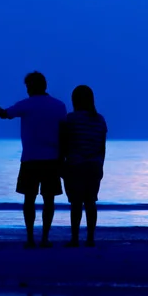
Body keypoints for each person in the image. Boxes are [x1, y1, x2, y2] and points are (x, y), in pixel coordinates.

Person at [0, 71, 66, 248]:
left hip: (30, 159)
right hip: (52, 159)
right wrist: (63, 159)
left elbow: (3, 114)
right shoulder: (59, 106)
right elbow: (63, 134)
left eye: (27, 86)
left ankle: (30, 238)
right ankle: (45, 238)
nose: (27, 89)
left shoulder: (26, 105)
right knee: (49, 201)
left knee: (29, 200)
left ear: (31, 86)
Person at [62, 86, 107, 247]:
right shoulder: (100, 120)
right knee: (90, 202)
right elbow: (102, 147)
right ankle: (90, 238)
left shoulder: (70, 119)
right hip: (94, 165)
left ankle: (74, 239)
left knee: (76, 204)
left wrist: (63, 165)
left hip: (75, 165)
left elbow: (64, 144)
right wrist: (100, 165)